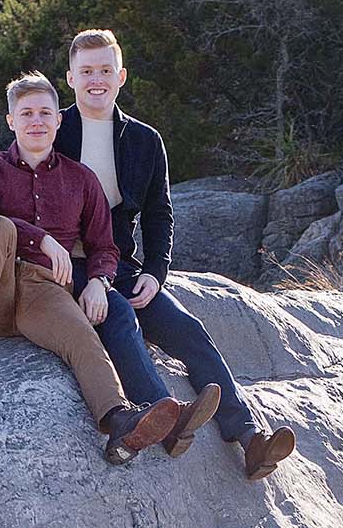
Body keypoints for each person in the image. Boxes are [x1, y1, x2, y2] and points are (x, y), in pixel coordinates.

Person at [57, 28, 297, 481]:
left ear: (121, 75)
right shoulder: (53, 130)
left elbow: (158, 215)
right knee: (120, 316)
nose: (96, 79)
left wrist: (155, 271)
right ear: (70, 78)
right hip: (67, 266)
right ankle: (162, 415)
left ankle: (248, 439)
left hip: (122, 265)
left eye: (105, 70)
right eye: (86, 71)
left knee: (188, 328)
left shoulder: (144, 140)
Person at [0, 72, 185, 464]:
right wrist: (43, 239)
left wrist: (100, 281)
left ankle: (119, 424)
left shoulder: (81, 179)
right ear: (11, 121)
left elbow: (105, 244)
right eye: (26, 114)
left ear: (58, 120)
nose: (36, 121)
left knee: (84, 337)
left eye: (44, 113)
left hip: (44, 289)